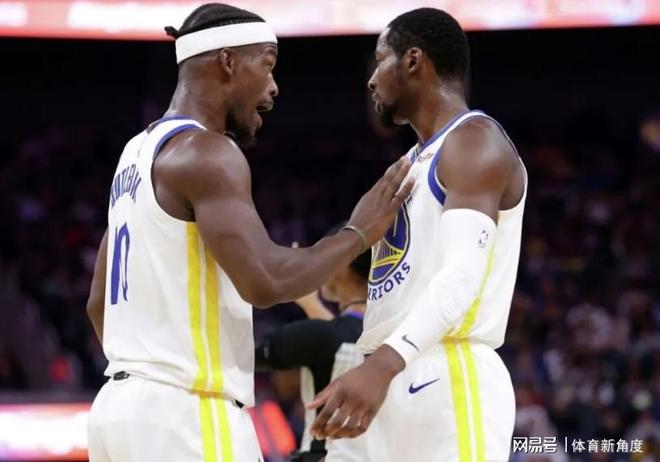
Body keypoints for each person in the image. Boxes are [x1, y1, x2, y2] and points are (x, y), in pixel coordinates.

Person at [84, 3, 413, 462]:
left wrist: (145, 368)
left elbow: (98, 303)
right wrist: (359, 232)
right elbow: (266, 280)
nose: (274, 86)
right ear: (228, 62)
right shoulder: (208, 152)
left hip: (117, 411)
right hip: (186, 412)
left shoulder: (135, 154)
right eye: (267, 63)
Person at [309, 8, 527, 462]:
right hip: (382, 372)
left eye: (379, 61)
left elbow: (461, 277)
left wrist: (383, 365)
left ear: (412, 60)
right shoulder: (407, 164)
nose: (371, 80)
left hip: (446, 374)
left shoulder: (474, 140)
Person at [255, 225, 370, 462]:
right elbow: (339, 339)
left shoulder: (323, 336)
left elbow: (242, 355)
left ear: (342, 266)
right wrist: (309, 303)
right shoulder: (395, 338)